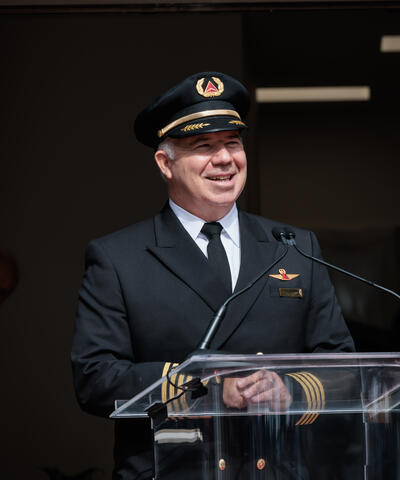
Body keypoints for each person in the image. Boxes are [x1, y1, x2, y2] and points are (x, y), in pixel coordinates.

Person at [71, 72, 355, 479]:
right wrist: (205, 387)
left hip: (275, 467)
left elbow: (343, 367)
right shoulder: (119, 258)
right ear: (165, 162)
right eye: (203, 146)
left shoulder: (293, 246)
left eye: (233, 143)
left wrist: (287, 390)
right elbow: (94, 379)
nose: (224, 159)